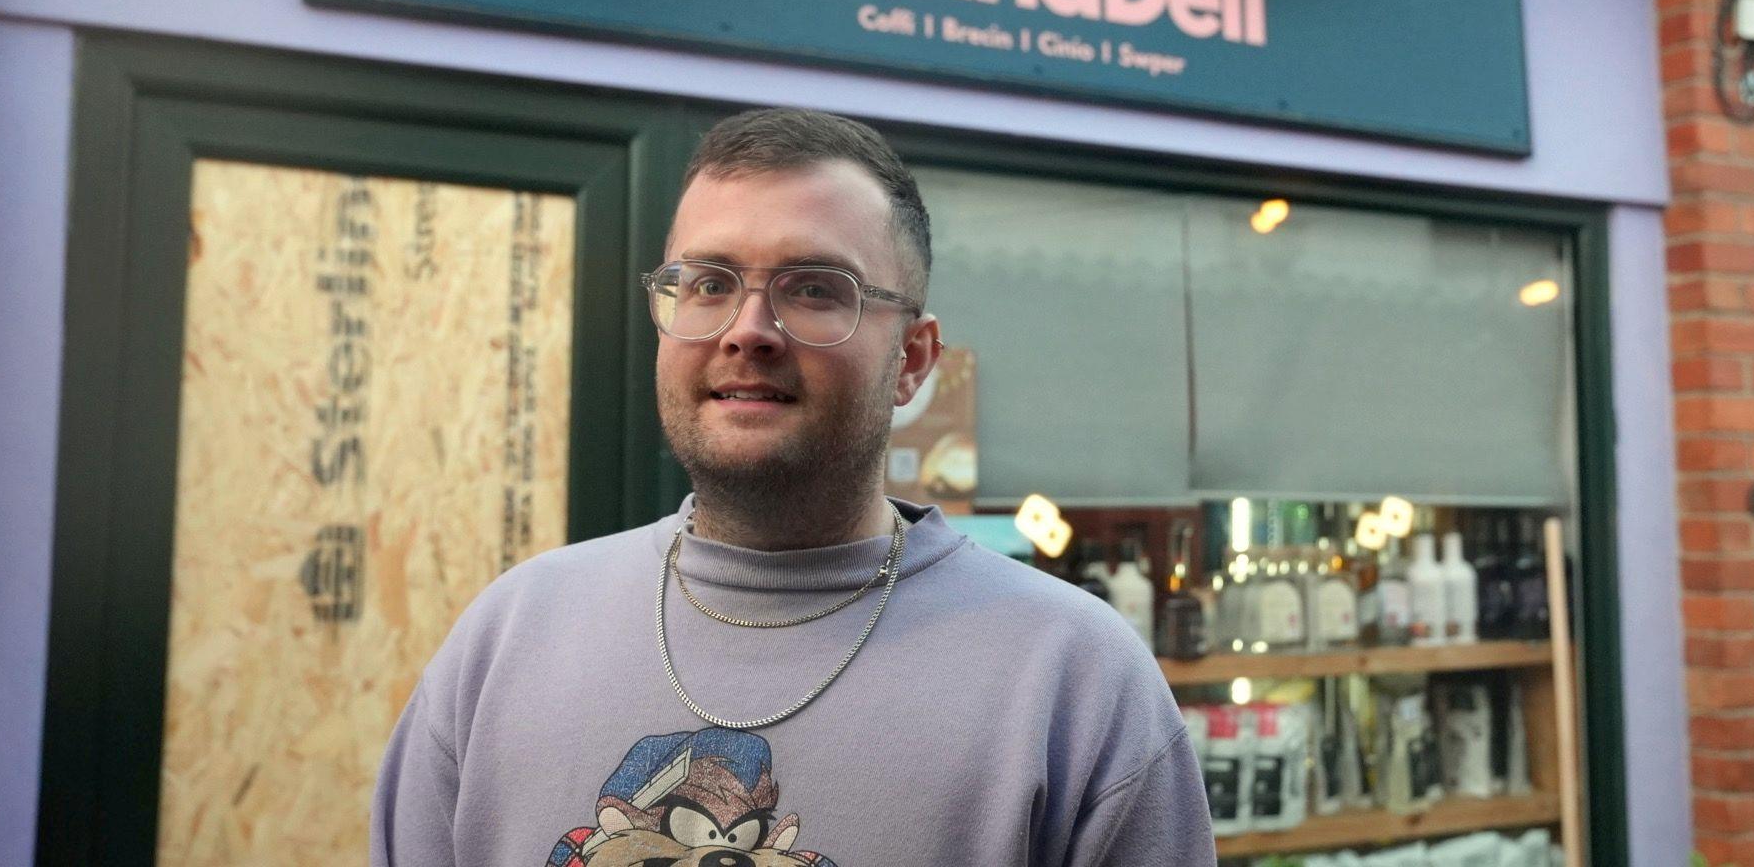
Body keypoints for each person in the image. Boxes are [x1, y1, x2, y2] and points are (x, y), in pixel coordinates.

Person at [370, 108, 1215, 866]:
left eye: (814, 290)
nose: (747, 330)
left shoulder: (1075, 682)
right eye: (707, 283)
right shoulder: (506, 641)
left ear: (912, 361)